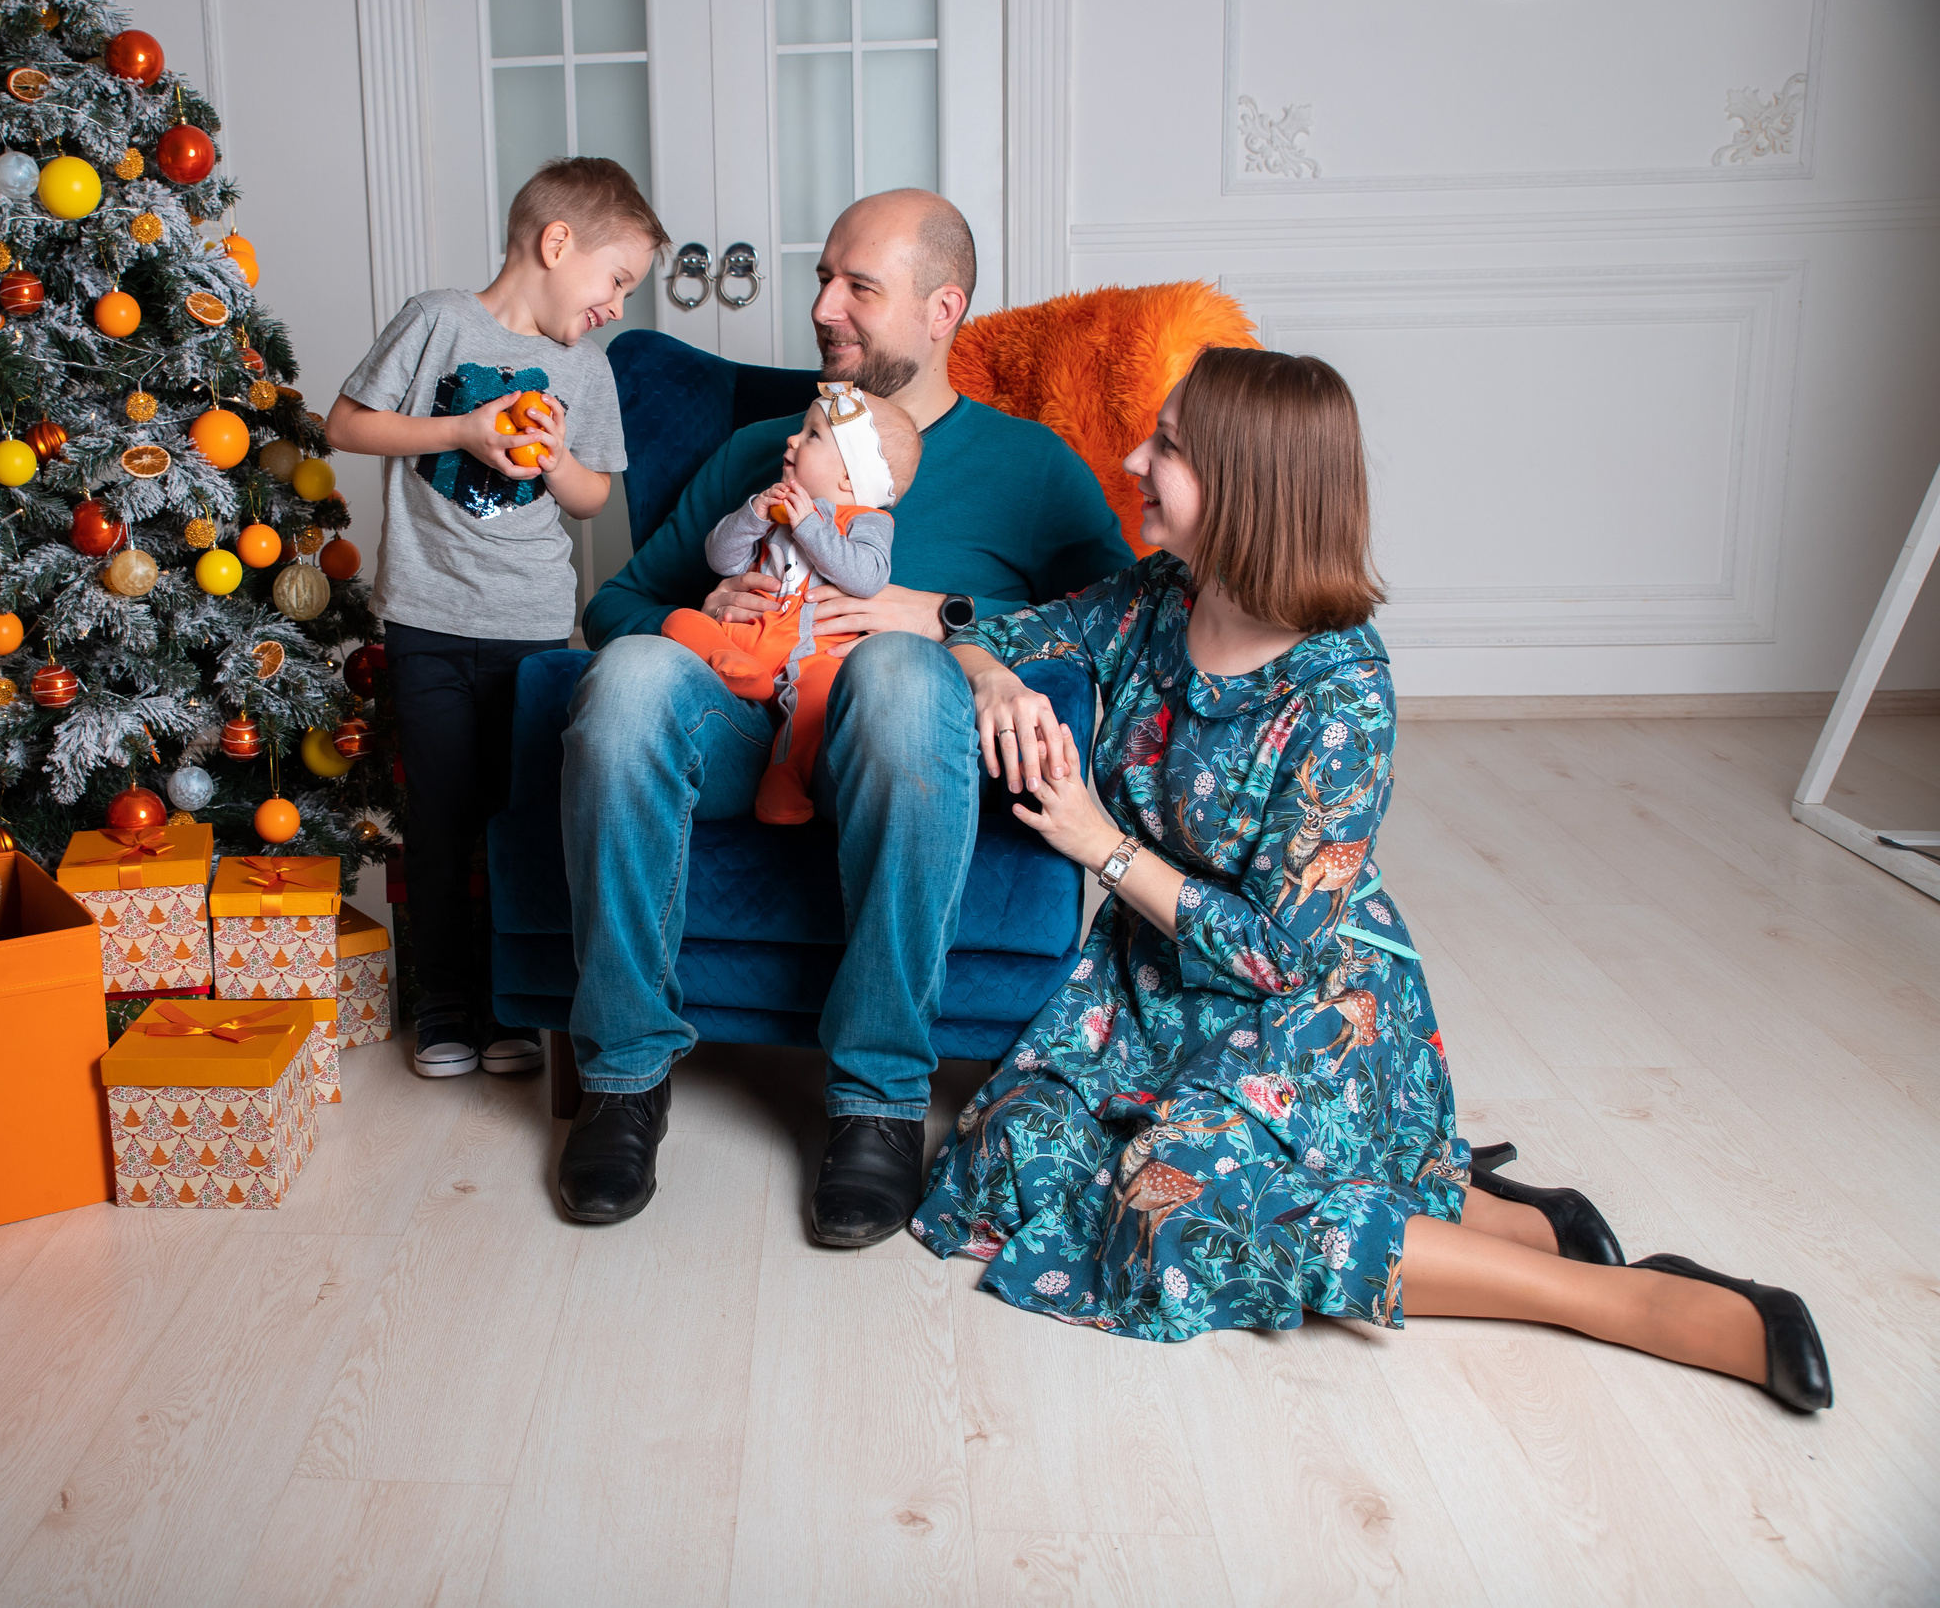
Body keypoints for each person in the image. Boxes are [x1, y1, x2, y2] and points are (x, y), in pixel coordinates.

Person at [918, 346, 1831, 1412]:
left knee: (1172, 1207)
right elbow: (992, 629)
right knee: (1012, 1151)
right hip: (1150, 986)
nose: (1132, 461)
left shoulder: (1345, 688)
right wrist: (989, 676)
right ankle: (1508, 1213)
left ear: (1248, 483)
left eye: (1166, 447)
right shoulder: (1159, 597)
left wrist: (1101, 846)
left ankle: (1619, 1297)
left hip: (1304, 1001)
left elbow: (1277, 952)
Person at [557, 188, 1137, 1239]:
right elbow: (616, 607)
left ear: (941, 309)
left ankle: (878, 1100)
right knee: (631, 677)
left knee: (901, 673)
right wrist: (705, 608)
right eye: (823, 279)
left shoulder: (1028, 466)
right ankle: (623, 1077)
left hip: (894, 744)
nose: (823, 307)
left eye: (858, 287)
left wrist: (947, 618)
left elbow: (1131, 623)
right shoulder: (764, 453)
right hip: (746, 731)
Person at [327, 156, 665, 1082]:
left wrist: (554, 458)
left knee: (520, 817)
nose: (615, 306)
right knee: (439, 818)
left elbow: (593, 497)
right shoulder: (439, 320)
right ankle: (445, 1001)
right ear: (557, 244)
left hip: (532, 626)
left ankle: (515, 999)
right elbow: (347, 425)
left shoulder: (587, 369)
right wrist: (463, 431)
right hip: (427, 619)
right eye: (615, 280)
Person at [661, 381, 922, 824]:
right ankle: (732, 664)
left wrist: (810, 526)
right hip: (746, 637)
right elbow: (721, 559)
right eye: (802, 429)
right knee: (679, 621)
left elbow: (868, 576)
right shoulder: (773, 509)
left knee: (819, 702)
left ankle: (785, 778)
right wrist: (752, 515)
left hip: (815, 655)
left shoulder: (868, 520)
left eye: (812, 435)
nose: (792, 439)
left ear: (849, 476)